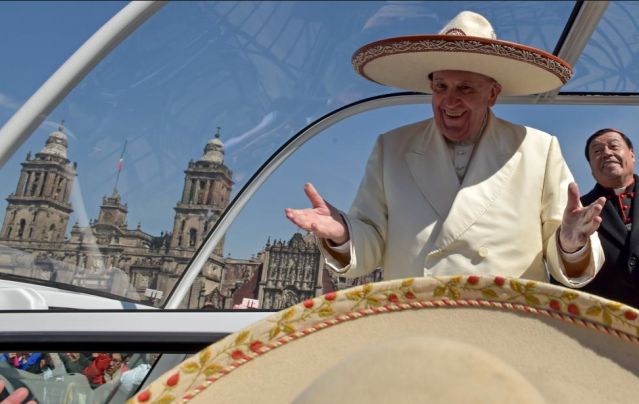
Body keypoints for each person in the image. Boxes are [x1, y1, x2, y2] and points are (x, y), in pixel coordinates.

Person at [285, 11, 605, 286]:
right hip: (418, 327)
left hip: (505, 328)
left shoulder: (539, 148)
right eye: (441, 86)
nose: (450, 100)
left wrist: (570, 242)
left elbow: (565, 252)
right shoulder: (391, 147)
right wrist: (342, 233)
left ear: (492, 94)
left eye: (465, 87)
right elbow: (370, 243)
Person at [574, 128, 639, 306]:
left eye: (614, 146)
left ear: (632, 155)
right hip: (606, 318)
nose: (607, 153)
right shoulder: (579, 211)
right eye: (597, 151)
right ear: (591, 169)